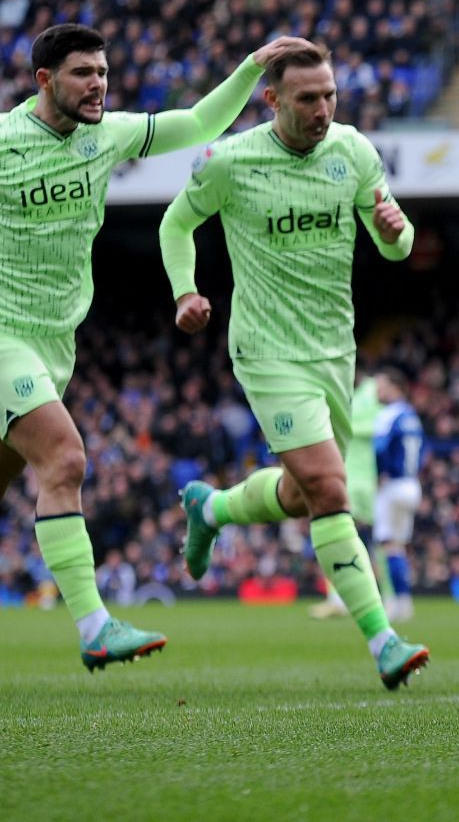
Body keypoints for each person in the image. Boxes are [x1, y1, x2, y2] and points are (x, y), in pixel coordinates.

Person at [0, 24, 310, 671]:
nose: (99, 84)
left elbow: (197, 123)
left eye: (104, 72)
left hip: (55, 345)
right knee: (65, 459)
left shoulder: (105, 135)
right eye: (84, 72)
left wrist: (253, 66)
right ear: (44, 80)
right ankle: (93, 625)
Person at [162, 42, 429, 690]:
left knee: (302, 489)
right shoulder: (231, 161)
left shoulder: (354, 151)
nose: (323, 108)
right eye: (307, 97)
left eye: (330, 94)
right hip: (266, 350)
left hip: (335, 350)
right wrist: (185, 290)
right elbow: (176, 223)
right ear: (272, 98)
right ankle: (384, 640)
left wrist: (398, 233)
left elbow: (397, 248)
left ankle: (213, 510)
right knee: (330, 489)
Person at [310, 368, 390, 621]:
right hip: (368, 482)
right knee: (378, 543)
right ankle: (388, 598)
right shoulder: (376, 406)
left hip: (353, 482)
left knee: (335, 534)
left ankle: (340, 600)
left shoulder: (361, 400)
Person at [372, 370, 424, 624]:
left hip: (392, 485)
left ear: (394, 386)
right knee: (399, 546)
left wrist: (380, 473)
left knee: (388, 544)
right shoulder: (412, 416)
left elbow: (380, 446)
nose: (376, 391)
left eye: (380, 385)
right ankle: (405, 602)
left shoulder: (389, 414)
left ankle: (395, 604)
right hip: (411, 483)